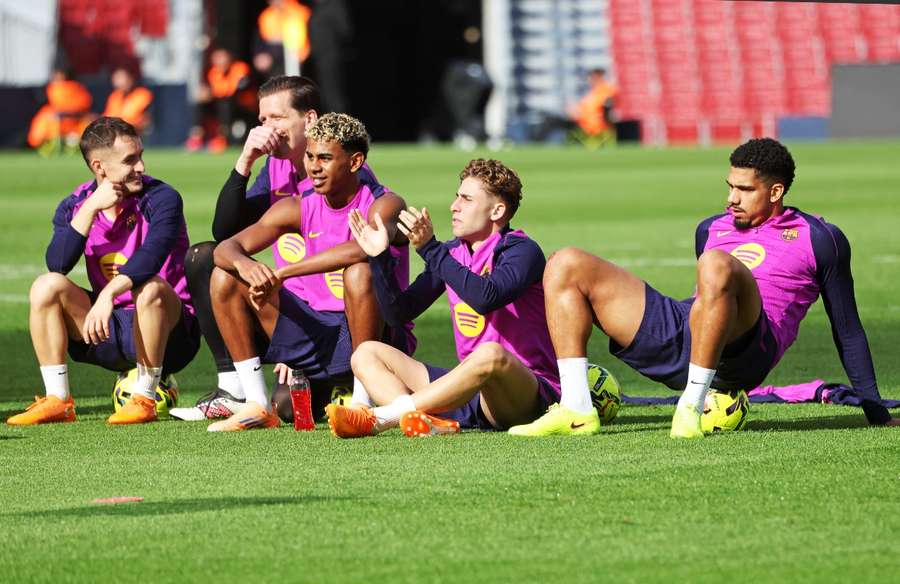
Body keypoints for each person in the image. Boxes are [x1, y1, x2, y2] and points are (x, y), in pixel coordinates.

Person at [510, 137, 899, 438]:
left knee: (715, 264)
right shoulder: (710, 228)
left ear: (776, 192)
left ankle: (690, 408)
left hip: (749, 349)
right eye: (729, 186)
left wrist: (876, 412)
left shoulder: (820, 238)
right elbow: (706, 298)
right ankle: (577, 408)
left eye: (744, 190)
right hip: (691, 329)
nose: (731, 198)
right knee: (566, 262)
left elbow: (847, 329)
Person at [175, 77, 400, 422]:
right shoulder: (285, 183)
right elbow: (225, 238)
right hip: (307, 315)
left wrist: (282, 274)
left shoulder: (373, 195)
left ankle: (360, 396)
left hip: (359, 320)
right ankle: (244, 395)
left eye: (276, 118)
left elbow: (364, 248)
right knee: (215, 266)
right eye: (262, 119)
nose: (267, 129)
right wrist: (245, 160)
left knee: (359, 272)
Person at [326, 158, 560, 438]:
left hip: (528, 395)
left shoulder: (521, 250)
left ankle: (381, 417)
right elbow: (398, 314)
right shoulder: (450, 253)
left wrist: (430, 249)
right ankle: (426, 422)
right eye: (456, 196)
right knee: (365, 354)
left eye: (466, 199)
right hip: (474, 395)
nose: (454, 206)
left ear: (497, 210)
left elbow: (486, 297)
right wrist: (379, 258)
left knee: (490, 354)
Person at [8, 117, 199, 426]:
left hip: (171, 332)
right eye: (130, 160)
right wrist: (89, 209)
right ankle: (58, 400)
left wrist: (108, 294)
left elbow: (150, 258)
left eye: (140, 155)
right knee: (46, 286)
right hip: (110, 329)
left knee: (149, 288)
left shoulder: (163, 198)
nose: (141, 167)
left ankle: (145, 398)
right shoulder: (75, 205)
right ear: (99, 167)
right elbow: (57, 263)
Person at [27, 68, 94, 155]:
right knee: (44, 119)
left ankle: (64, 143)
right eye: (56, 75)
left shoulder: (75, 87)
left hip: (75, 122)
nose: (57, 78)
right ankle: (49, 143)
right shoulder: (53, 90)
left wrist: (68, 112)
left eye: (59, 75)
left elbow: (83, 103)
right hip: (57, 123)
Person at [568, 68, 617, 146]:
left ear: (600, 77)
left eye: (593, 77)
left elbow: (608, 109)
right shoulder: (591, 93)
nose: (590, 80)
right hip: (585, 129)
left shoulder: (608, 90)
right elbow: (580, 112)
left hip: (600, 131)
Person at [103, 68, 153, 133]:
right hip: (116, 131)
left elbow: (142, 120)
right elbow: (108, 116)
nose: (120, 82)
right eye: (117, 78)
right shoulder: (114, 96)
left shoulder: (142, 94)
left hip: (135, 132)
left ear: (130, 78)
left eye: (122, 78)